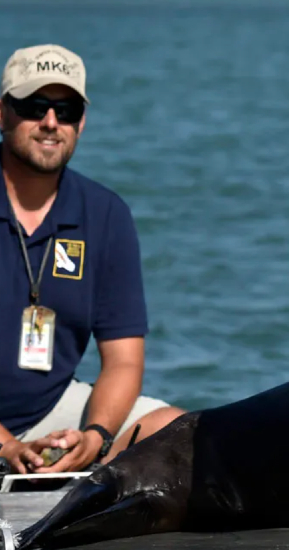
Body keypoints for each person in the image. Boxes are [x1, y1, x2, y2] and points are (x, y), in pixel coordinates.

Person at [0, 44, 184, 476]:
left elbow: (123, 359)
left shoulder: (105, 213)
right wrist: (7, 446)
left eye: (65, 110)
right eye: (34, 106)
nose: (50, 123)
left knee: (177, 431)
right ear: (2, 112)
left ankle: (83, 488)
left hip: (50, 411)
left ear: (80, 122)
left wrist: (95, 437)